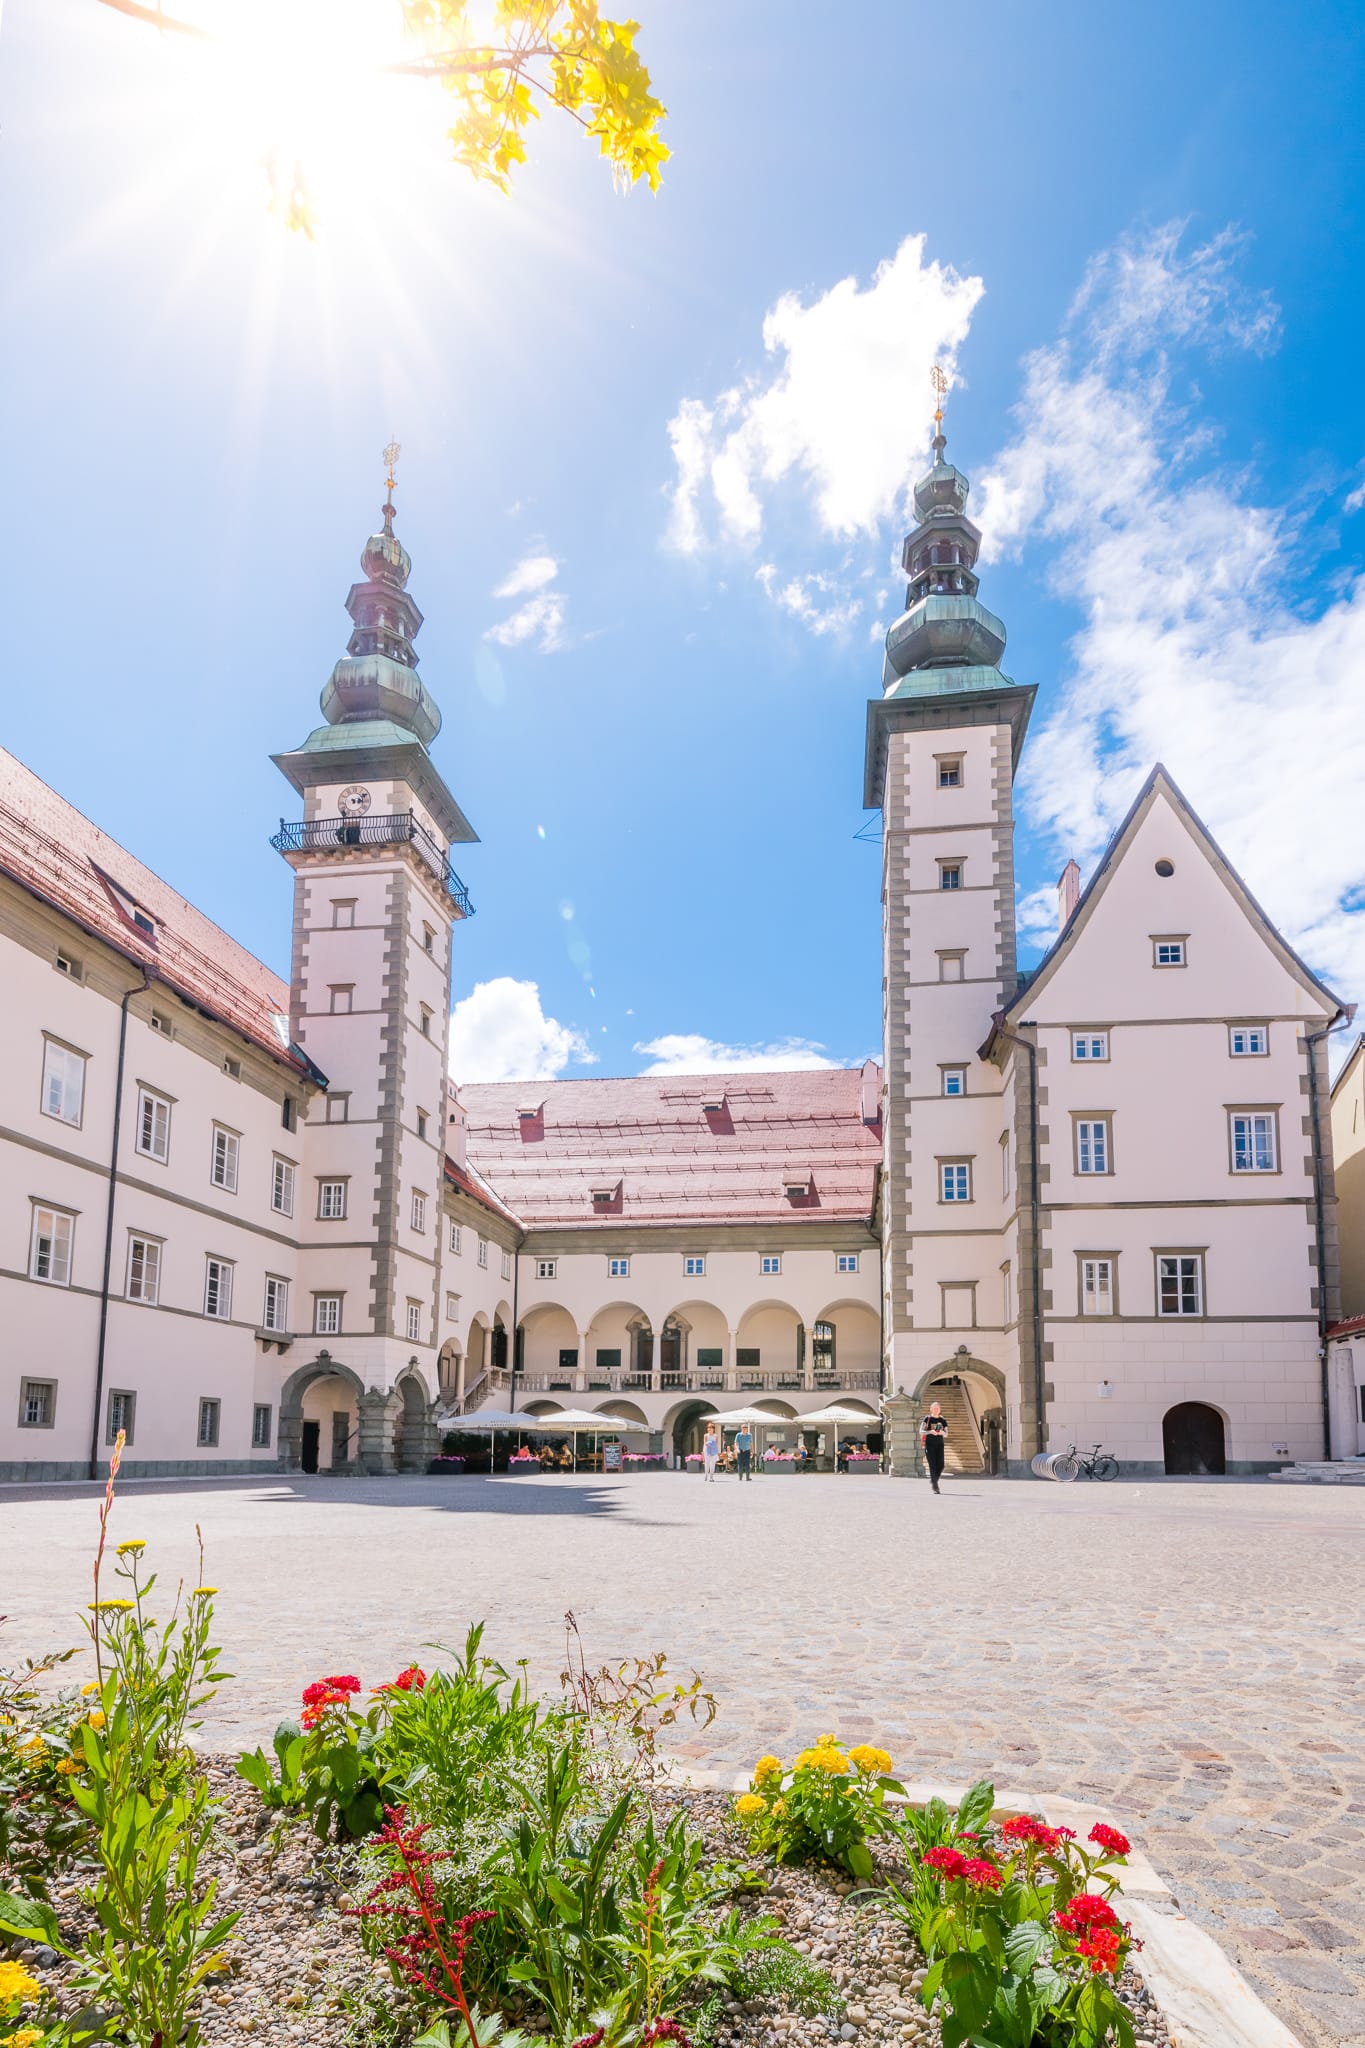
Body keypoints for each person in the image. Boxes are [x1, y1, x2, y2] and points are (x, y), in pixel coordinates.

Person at [920, 1401, 948, 1494]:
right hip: (929, 1445)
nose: (936, 1410)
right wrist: (930, 1432)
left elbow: (946, 1434)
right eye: (934, 1408)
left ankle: (933, 1479)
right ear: (931, 1409)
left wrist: (941, 1433)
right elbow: (921, 1431)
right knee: (932, 1465)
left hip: (940, 1445)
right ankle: (935, 1486)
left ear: (940, 1409)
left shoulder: (943, 1420)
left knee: (941, 1465)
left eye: (938, 1408)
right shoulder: (927, 1419)